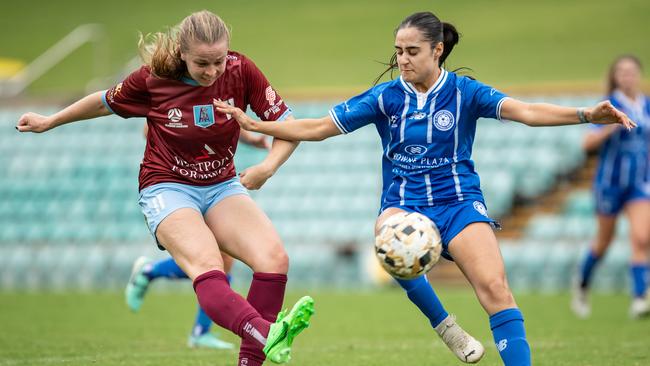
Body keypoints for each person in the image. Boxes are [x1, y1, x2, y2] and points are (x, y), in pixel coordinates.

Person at [215, 11, 635, 366]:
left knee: (496, 290)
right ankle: (446, 327)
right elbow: (318, 127)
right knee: (388, 241)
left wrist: (585, 114)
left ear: (437, 51)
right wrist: (258, 124)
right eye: (398, 51)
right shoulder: (385, 97)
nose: (402, 59)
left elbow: (525, 111)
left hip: (459, 203)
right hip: (404, 204)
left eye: (412, 51)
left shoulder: (466, 93)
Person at [16, 10, 315, 366]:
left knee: (274, 259)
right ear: (182, 54)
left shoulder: (240, 70)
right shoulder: (153, 79)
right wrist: (50, 120)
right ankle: (266, 335)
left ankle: (253, 357)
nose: (212, 71)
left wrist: (267, 168)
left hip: (221, 184)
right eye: (202, 63)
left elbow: (287, 123)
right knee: (208, 266)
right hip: (167, 186)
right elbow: (103, 102)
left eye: (219, 61)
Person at [125, 130, 271, 350]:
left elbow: (214, 122)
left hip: (210, 181)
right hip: (179, 184)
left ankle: (199, 330)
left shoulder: (212, 97)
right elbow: (152, 129)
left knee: (222, 261)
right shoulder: (170, 97)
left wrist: (248, 138)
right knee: (210, 260)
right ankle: (151, 273)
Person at [572, 55, 650, 319]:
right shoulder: (609, 106)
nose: (628, 76)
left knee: (641, 238)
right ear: (615, 77)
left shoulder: (646, 105)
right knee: (603, 242)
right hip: (610, 184)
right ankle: (582, 284)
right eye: (622, 72)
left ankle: (640, 298)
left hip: (639, 183)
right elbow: (587, 144)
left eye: (632, 72)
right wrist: (610, 128)